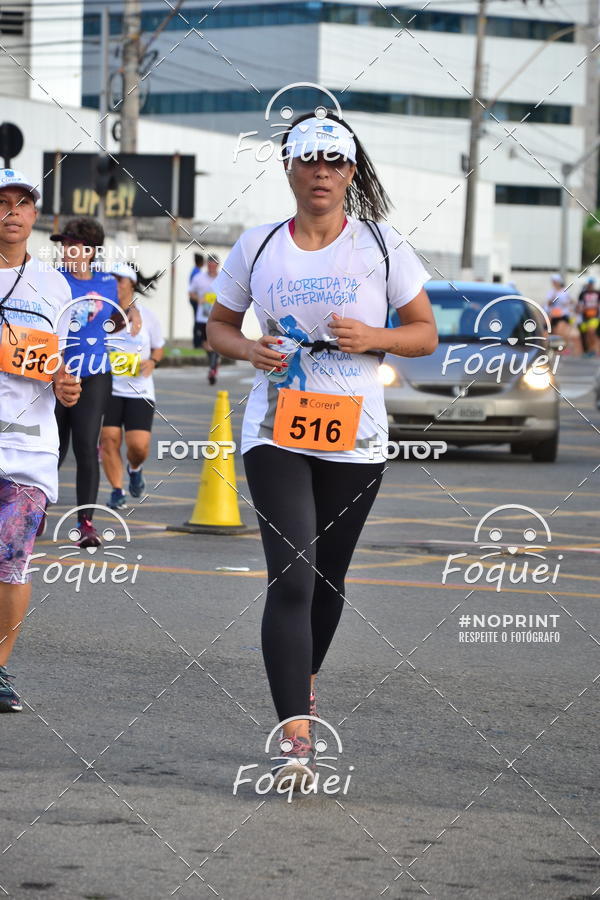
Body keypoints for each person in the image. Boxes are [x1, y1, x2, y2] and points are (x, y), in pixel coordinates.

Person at [207, 113, 437, 786]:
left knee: (329, 580)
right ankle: (295, 738)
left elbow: (424, 333)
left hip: (355, 435)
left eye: (335, 160)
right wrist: (249, 348)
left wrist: (374, 338)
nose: (321, 172)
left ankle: (302, 680)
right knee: (294, 576)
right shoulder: (258, 245)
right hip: (275, 428)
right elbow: (219, 327)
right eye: (309, 158)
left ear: (351, 172)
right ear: (289, 167)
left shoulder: (381, 245)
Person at [0, 169, 81, 712]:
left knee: (11, 558)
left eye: (22, 202)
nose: (12, 212)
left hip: (28, 446)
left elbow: (57, 365)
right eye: (1, 202)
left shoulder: (55, 285)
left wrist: (67, 385)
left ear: (35, 215)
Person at [52, 217, 139, 548]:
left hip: (96, 373)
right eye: (63, 244)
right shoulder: (53, 280)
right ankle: (35, 510)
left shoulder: (107, 282)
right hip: (57, 373)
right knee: (53, 447)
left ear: (89, 250)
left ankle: (85, 523)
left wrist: (129, 313)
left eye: (72, 244)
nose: (65, 250)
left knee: (86, 446)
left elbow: (116, 319)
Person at [101, 262, 164, 509]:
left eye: (120, 280)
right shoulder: (101, 313)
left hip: (140, 390)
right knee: (109, 439)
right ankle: (117, 490)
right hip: (107, 387)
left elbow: (158, 347)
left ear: (132, 284)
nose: (115, 284)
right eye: (112, 279)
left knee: (138, 447)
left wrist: (152, 361)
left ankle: (135, 469)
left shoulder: (147, 316)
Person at [190, 254, 221, 383]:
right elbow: (191, 293)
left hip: (218, 315)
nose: (212, 267)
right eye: (210, 265)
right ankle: (215, 361)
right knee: (205, 343)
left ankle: (212, 368)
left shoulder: (223, 278)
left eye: (214, 265)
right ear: (207, 265)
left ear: (217, 265)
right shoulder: (198, 278)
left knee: (213, 342)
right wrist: (199, 299)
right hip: (203, 316)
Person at [544, 273, 573, 350]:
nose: (553, 283)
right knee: (550, 332)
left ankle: (563, 348)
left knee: (560, 332)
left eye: (555, 281)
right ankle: (554, 348)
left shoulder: (565, 291)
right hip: (553, 315)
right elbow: (548, 304)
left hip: (562, 315)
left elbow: (571, 302)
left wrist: (568, 306)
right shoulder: (551, 292)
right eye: (553, 281)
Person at [576, 276, 599, 357]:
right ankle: (589, 350)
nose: (590, 285)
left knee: (591, 331)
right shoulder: (583, 294)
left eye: (591, 284)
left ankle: (593, 350)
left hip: (594, 316)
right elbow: (579, 305)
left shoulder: (597, 293)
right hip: (584, 317)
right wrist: (580, 309)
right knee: (586, 335)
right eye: (589, 283)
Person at [189, 252, 204, 340]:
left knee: (198, 319)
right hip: (196, 298)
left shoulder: (195, 271)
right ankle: (197, 340)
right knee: (198, 319)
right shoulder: (197, 273)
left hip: (196, 298)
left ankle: (198, 340)